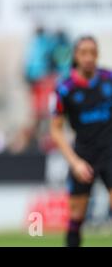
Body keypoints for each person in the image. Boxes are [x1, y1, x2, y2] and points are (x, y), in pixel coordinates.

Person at [50, 36, 112, 247]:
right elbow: (56, 130)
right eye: (84, 52)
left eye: (93, 53)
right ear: (76, 56)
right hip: (83, 155)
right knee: (77, 216)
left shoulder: (108, 79)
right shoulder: (65, 89)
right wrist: (75, 162)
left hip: (109, 152)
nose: (88, 57)